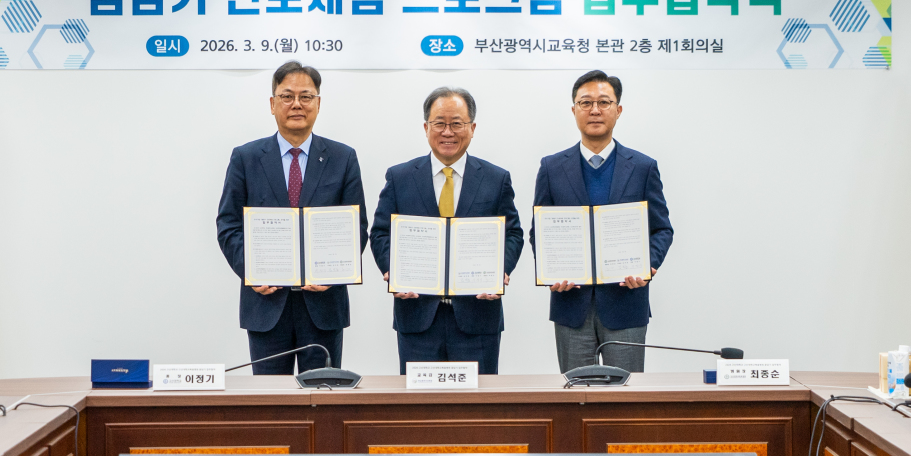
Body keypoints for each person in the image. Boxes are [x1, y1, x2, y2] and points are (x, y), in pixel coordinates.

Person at [216, 61, 368, 374]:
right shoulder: (246, 158)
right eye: (287, 96)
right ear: (272, 104)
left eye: (306, 96)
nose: (296, 104)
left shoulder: (343, 158)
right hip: (266, 304)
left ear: (318, 103)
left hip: (324, 305)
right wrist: (252, 270)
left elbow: (357, 228)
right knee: (271, 399)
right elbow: (228, 225)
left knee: (322, 393)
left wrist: (333, 274)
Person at [370, 87, 524, 374]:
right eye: (439, 123)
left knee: (476, 399)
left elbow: (513, 234)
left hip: (478, 316)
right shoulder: (400, 177)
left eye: (457, 123)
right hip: (417, 314)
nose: (448, 132)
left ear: (472, 128)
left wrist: (499, 271)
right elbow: (380, 233)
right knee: (419, 400)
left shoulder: (496, 178)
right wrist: (394, 271)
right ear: (426, 127)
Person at [530, 70, 674, 373]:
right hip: (571, 304)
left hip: (626, 302)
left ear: (618, 110)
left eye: (604, 102)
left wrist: (647, 265)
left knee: (626, 392)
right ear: (573, 110)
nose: (595, 110)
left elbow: (661, 228)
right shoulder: (552, 167)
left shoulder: (643, 167)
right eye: (586, 103)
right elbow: (539, 232)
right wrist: (551, 271)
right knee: (576, 390)